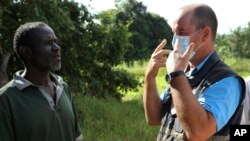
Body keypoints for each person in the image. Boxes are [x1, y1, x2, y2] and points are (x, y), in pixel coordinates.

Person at [143, 3, 245, 141]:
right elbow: (154, 118)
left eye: (182, 33)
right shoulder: (185, 73)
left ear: (205, 34)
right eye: (174, 33)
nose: (175, 40)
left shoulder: (226, 81)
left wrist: (175, 74)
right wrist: (150, 76)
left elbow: (198, 133)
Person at [0, 22, 83, 141]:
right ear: (26, 52)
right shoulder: (6, 99)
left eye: (56, 42)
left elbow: (77, 137)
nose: (57, 47)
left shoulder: (63, 88)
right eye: (48, 43)